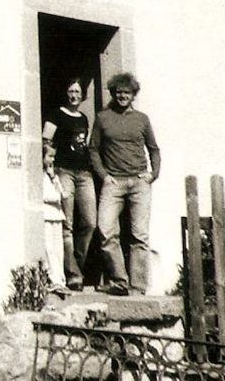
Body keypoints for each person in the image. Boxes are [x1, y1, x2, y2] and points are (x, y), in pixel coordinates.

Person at [88, 71, 159, 295]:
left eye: (126, 92)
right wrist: (104, 176)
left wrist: (152, 174)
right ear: (113, 93)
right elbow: (93, 150)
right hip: (114, 182)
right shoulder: (103, 118)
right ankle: (119, 281)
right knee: (106, 230)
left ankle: (138, 286)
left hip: (139, 181)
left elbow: (154, 149)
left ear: (133, 94)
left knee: (140, 235)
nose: (122, 96)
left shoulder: (142, 119)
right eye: (118, 92)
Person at [42, 79, 96, 291]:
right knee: (68, 225)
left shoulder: (83, 118)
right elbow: (46, 139)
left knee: (90, 223)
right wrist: (50, 163)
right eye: (70, 90)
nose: (74, 95)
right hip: (64, 171)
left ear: (83, 95)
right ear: (66, 93)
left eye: (77, 91)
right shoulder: (57, 114)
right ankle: (73, 274)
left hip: (84, 173)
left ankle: (76, 266)